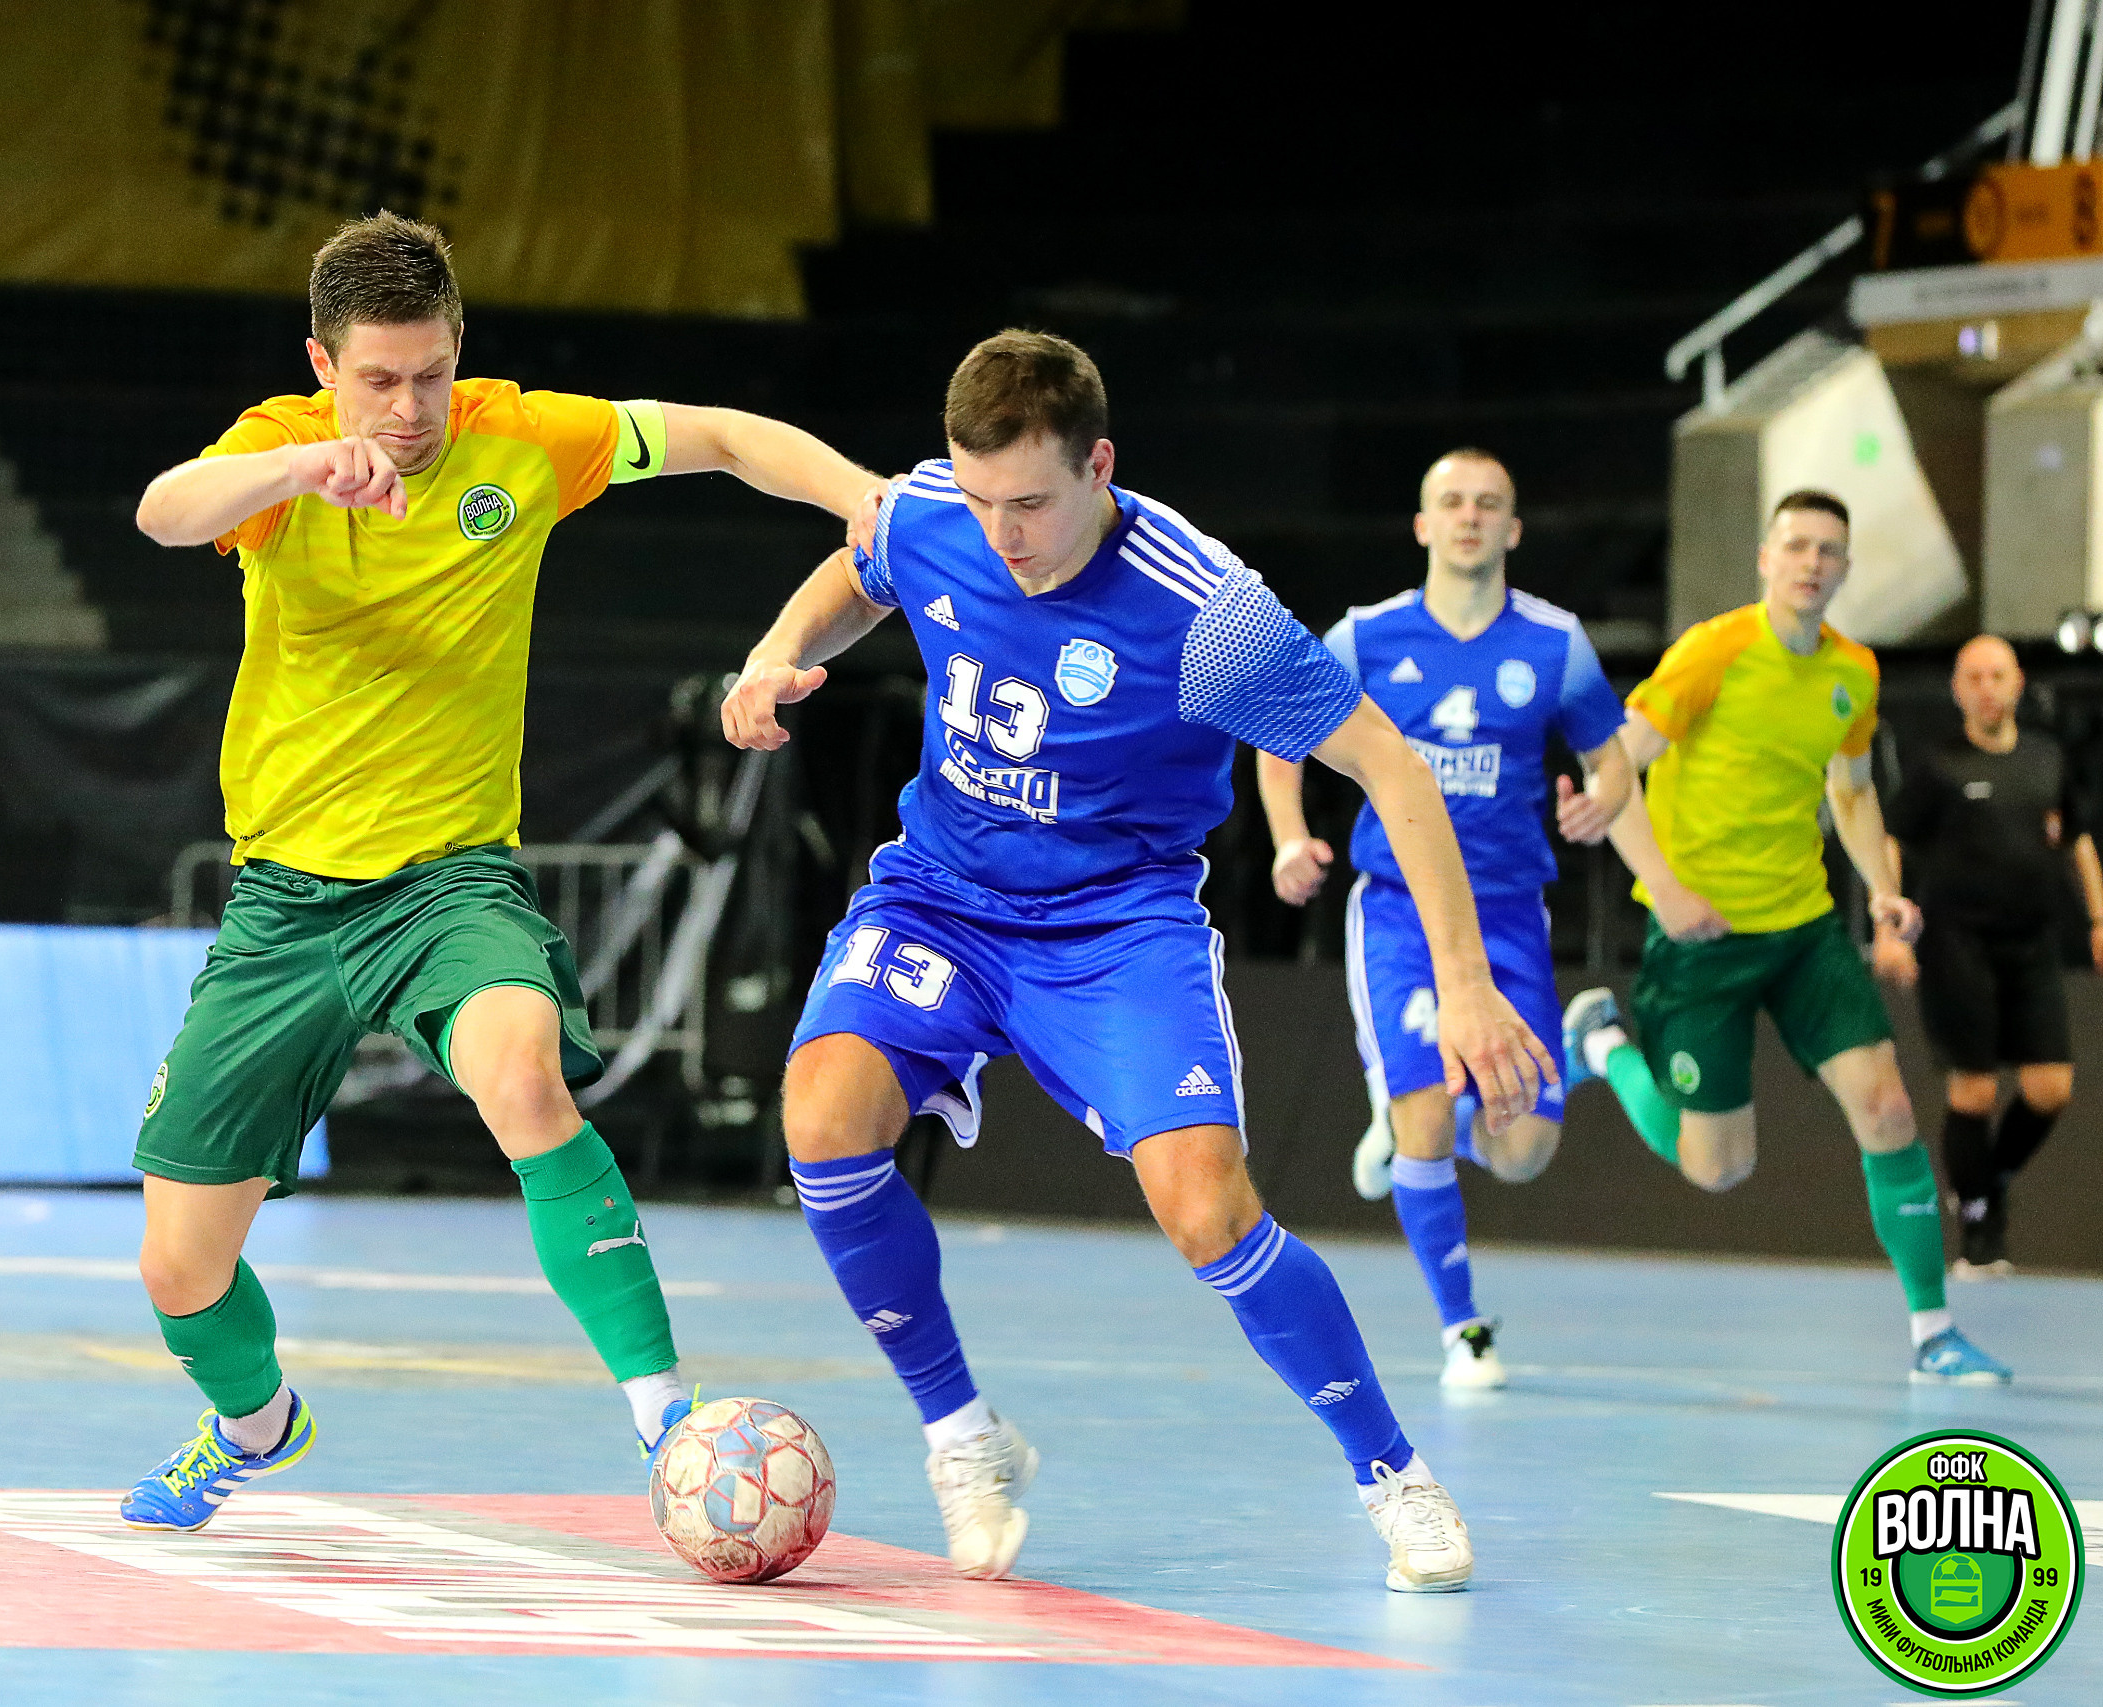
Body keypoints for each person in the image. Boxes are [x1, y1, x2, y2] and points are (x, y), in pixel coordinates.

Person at [721, 330, 1556, 1593]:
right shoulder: (942, 511)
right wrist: (781, 652)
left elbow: (1391, 767)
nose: (1001, 533)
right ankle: (963, 1435)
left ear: (1098, 466)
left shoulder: (1203, 613)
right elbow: (860, 564)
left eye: (1030, 504)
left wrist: (1469, 987)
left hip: (1115, 925)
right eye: (981, 499)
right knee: (822, 1126)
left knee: (1206, 1211)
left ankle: (1394, 1475)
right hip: (941, 897)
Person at [117, 213, 884, 1532]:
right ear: (323, 363)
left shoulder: (523, 439)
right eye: (377, 380)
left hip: (446, 887)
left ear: (458, 348)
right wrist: (303, 465)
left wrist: (866, 498)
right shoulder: (272, 453)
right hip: (284, 907)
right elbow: (162, 511)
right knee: (180, 1270)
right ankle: (255, 1423)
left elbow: (721, 434)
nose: (409, 409)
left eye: (431, 373)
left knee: (523, 1073)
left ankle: (667, 1416)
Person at [1565, 490, 2010, 1383]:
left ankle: (1933, 1332)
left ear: (1845, 569)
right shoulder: (1714, 652)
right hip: (1701, 939)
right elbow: (1614, 761)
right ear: (1766, 559)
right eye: (1796, 545)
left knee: (1888, 1108)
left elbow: (1851, 787)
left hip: (1804, 930)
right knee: (1717, 1167)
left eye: (1828, 550)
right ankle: (1603, 1046)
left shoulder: (1853, 671)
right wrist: (1665, 889)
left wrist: (1883, 890)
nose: (1812, 561)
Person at [1256, 449, 1632, 1390]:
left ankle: (1562, 1055)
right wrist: (1290, 837)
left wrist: (1604, 800)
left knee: (1521, 1150)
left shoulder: (1555, 643)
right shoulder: (1365, 636)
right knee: (1423, 1114)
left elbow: (1612, 758)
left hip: (1508, 916)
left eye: (1488, 503)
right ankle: (1463, 1328)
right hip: (1397, 913)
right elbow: (1278, 736)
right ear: (1424, 525)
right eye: (1452, 502)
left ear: (1513, 528)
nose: (1470, 516)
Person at [1874, 634, 2103, 1278]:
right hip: (1957, 946)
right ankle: (1979, 1229)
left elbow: (2078, 840)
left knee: (2050, 1088)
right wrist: (1889, 928)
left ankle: (1988, 1178)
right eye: (1973, 678)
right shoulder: (1937, 766)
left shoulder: (2046, 758)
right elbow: (1892, 841)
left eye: (1996, 676)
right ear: (1956, 690)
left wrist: (2098, 918)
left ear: (2018, 683)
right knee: (1974, 1092)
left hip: (2032, 944)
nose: (1986, 689)